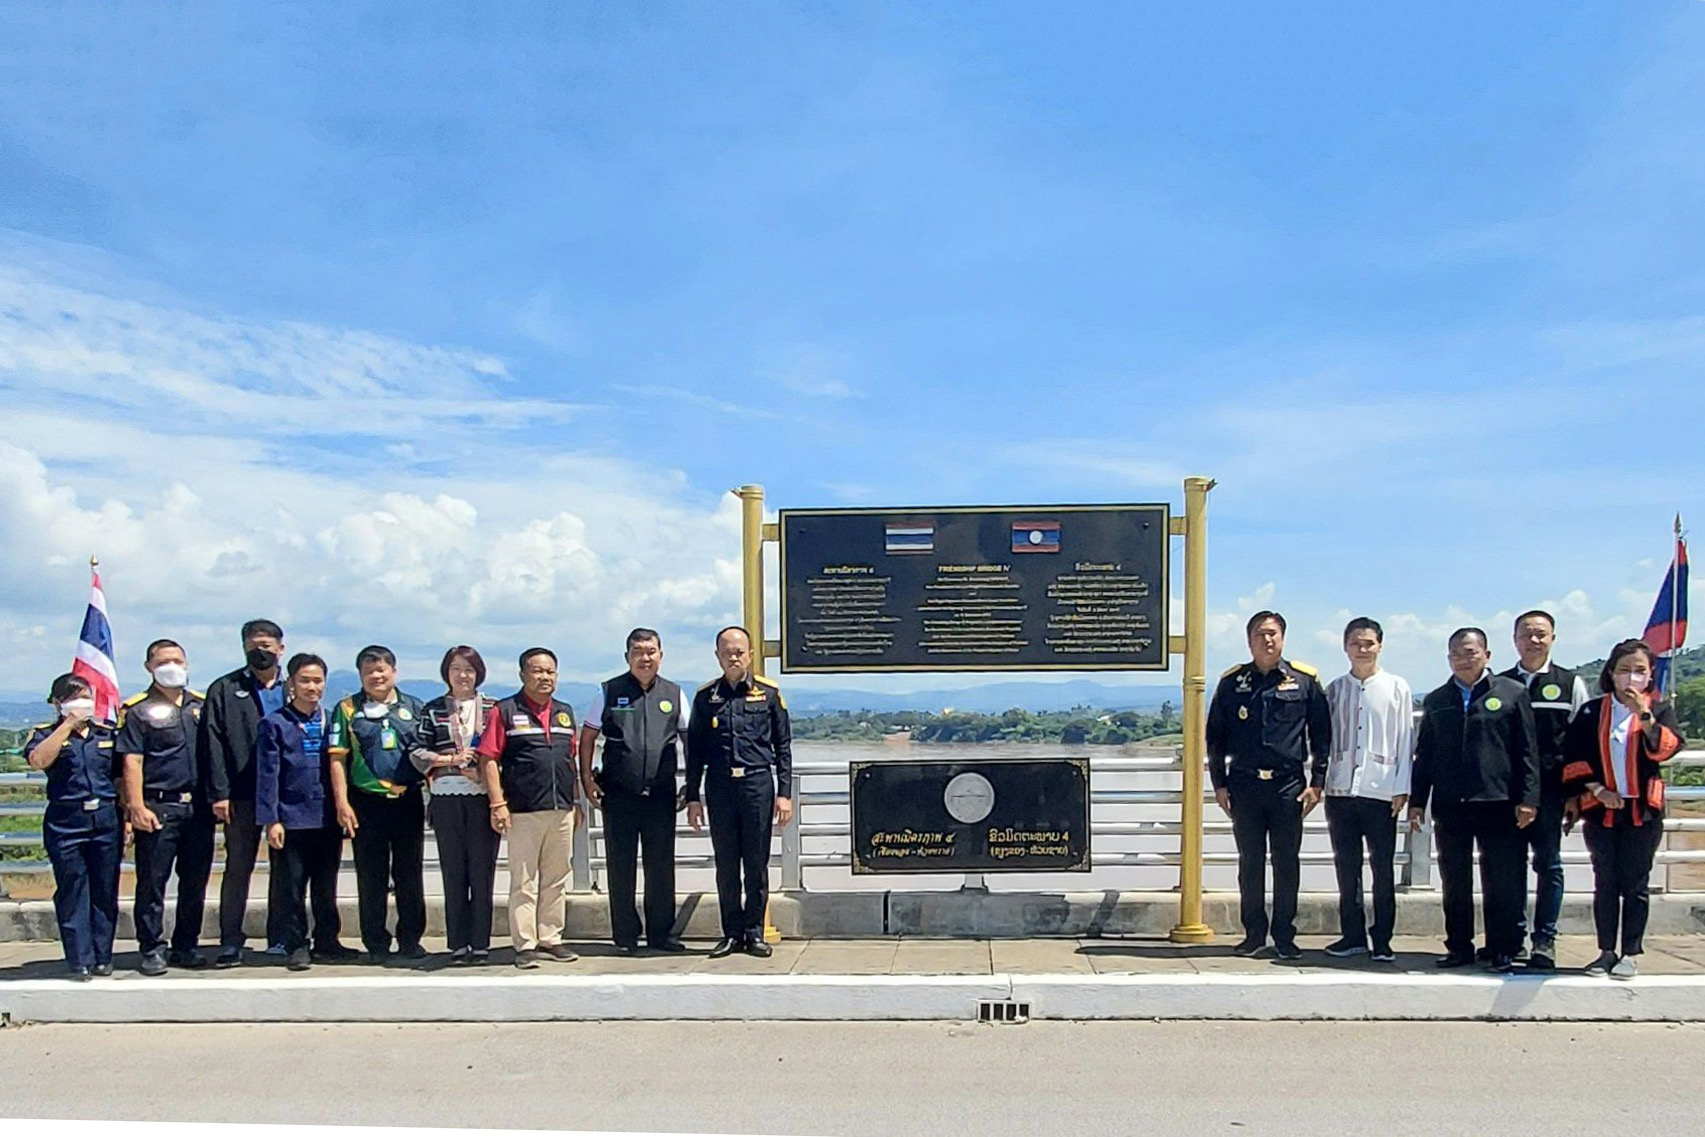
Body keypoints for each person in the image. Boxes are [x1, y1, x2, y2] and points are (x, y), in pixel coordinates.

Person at [1409, 627, 1540, 973]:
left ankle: (1502, 947)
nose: (1463, 660)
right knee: (1455, 880)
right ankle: (1459, 946)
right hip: (1452, 804)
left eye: (1470, 652)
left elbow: (1527, 752)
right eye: (1455, 654)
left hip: (1498, 802)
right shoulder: (1437, 700)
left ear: (1486, 655)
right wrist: (1418, 801)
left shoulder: (1512, 693)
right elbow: (1425, 755)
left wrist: (1528, 799)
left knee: (1501, 880)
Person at [1205, 611, 1331, 960]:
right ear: (1249, 640)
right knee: (1250, 863)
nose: (1267, 640)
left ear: (1283, 638)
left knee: (1287, 862)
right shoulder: (1232, 683)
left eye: (1273, 634)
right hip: (1244, 785)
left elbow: (1322, 736)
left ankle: (1285, 936)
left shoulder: (1304, 681)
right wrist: (1219, 784)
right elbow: (1214, 738)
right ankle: (1254, 934)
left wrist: (1318, 783)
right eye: (1260, 634)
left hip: (1288, 787)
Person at [1561, 639, 1684, 979]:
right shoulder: (1591, 711)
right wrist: (1598, 789)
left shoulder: (1658, 710)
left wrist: (1642, 716)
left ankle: (1631, 951)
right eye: (1625, 670)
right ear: (1612, 673)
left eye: (1640, 671)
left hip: (1643, 810)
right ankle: (1605, 951)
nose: (1632, 677)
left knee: (1636, 883)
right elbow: (1573, 756)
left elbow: (1666, 750)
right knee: (1605, 882)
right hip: (1602, 809)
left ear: (1650, 675)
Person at [685, 626, 794, 959]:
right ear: (718, 656)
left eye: (739, 651)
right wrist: (692, 796)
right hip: (719, 787)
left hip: (757, 785)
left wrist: (784, 793)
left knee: (756, 863)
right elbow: (695, 752)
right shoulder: (706, 697)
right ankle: (731, 933)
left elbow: (783, 746)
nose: (734, 657)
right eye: (727, 651)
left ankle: (754, 932)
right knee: (726, 864)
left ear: (749, 655)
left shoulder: (769, 694)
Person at [578, 628, 688, 956]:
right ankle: (625, 936)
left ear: (661, 655)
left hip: (661, 795)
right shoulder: (609, 692)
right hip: (619, 794)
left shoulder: (675, 693)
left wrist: (692, 787)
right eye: (638, 651)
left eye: (651, 651)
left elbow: (689, 741)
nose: (645, 657)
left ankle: (661, 934)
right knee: (620, 867)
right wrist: (586, 778)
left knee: (661, 867)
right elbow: (587, 739)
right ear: (627, 656)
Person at [478, 647, 582, 969]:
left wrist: (576, 801)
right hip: (522, 810)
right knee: (524, 880)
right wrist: (498, 803)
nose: (544, 677)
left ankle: (551, 937)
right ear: (523, 674)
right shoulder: (505, 711)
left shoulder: (565, 713)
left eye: (550, 671)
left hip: (561, 809)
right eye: (537, 671)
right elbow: (489, 758)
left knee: (556, 876)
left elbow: (571, 760)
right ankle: (525, 943)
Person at [1500, 609, 1591, 972]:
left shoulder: (1570, 683)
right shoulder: (1501, 684)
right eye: (1526, 633)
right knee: (1509, 868)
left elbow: (1581, 743)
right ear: (1514, 639)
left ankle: (1545, 941)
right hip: (1508, 792)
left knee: (1549, 865)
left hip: (1553, 792)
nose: (1533, 640)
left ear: (1553, 638)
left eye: (1541, 634)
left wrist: (1575, 793)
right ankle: (1514, 939)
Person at [117, 639, 215, 975]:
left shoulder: (201, 706)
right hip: (159, 808)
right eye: (163, 661)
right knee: (152, 882)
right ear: (149, 667)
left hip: (199, 809)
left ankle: (186, 945)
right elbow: (132, 762)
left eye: (177, 660)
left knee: (195, 881)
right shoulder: (138, 710)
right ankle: (151, 948)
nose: (171, 666)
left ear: (187, 664)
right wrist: (135, 806)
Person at [327, 645, 428, 964]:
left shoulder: (415, 707)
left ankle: (411, 939)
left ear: (394, 672)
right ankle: (376, 941)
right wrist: (342, 803)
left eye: (382, 670)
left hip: (407, 800)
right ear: (360, 675)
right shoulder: (346, 709)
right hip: (365, 803)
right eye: (369, 672)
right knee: (370, 876)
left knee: (409, 874)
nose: (377, 676)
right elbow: (337, 760)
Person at [1322, 617, 1414, 963]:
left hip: (1382, 791)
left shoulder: (1396, 687)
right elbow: (1323, 741)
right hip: (1341, 790)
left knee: (1382, 868)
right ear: (1345, 646)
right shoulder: (1334, 690)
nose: (1362, 649)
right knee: (1347, 867)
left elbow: (1407, 740)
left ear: (1380, 646)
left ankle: (1383, 938)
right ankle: (1353, 935)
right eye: (1356, 643)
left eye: (1369, 643)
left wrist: (1402, 788)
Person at [255, 653, 354, 970]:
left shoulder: (331, 721)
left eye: (318, 680)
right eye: (305, 680)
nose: (312, 687)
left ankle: (328, 940)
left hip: (326, 817)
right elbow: (267, 775)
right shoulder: (274, 724)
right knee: (292, 887)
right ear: (292, 683)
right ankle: (297, 944)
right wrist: (271, 819)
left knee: (327, 884)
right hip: (291, 818)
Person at [200, 618, 289, 967]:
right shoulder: (224, 689)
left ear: (281, 648)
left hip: (286, 795)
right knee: (238, 868)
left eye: (267, 645)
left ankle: (281, 937)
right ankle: (231, 941)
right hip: (240, 793)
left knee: (286, 868)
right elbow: (213, 744)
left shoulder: (293, 687)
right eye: (254, 645)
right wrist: (219, 793)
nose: (260, 651)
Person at [25, 674, 123, 980]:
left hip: (106, 820)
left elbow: (120, 777)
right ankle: (79, 959)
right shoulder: (46, 734)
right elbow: (37, 761)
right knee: (72, 889)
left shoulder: (106, 734)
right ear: (57, 703)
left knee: (104, 889)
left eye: (85, 696)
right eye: (72, 697)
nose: (81, 703)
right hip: (66, 822)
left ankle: (103, 956)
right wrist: (67, 725)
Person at [412, 646, 501, 966]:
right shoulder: (432, 709)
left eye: (469, 669)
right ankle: (457, 944)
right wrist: (449, 760)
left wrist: (484, 773)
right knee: (453, 872)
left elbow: (503, 750)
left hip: (482, 797)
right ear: (446, 673)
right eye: (455, 669)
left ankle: (481, 943)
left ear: (479, 673)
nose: (462, 675)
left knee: (483, 873)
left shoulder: (493, 708)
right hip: (447, 797)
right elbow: (416, 751)